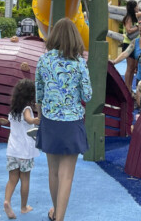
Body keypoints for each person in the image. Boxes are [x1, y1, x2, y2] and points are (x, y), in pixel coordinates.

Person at [35, 17, 92, 221]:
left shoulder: (44, 60)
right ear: (75, 37)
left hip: (50, 120)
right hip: (72, 122)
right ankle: (59, 217)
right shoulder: (79, 63)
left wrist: (41, 115)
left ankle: (55, 211)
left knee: (53, 171)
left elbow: (39, 94)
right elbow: (87, 95)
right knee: (67, 174)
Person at [4, 78, 40, 219]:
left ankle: (7, 201)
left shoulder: (13, 111)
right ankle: (24, 207)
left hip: (12, 150)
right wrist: (34, 120)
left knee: (12, 179)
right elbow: (27, 118)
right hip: (25, 152)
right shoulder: (27, 109)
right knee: (25, 179)